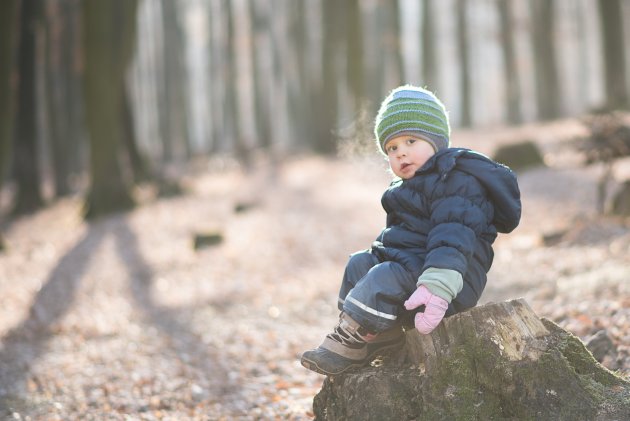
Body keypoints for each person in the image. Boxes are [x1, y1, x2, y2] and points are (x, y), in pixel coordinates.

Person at [300, 85, 521, 376]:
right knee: (360, 263)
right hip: (415, 271)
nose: (401, 153)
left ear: (436, 141)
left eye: (411, 141)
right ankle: (375, 334)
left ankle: (353, 340)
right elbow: (398, 242)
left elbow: (453, 235)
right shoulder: (406, 188)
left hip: (449, 281)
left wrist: (439, 285)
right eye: (392, 148)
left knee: (385, 275)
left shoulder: (456, 181)